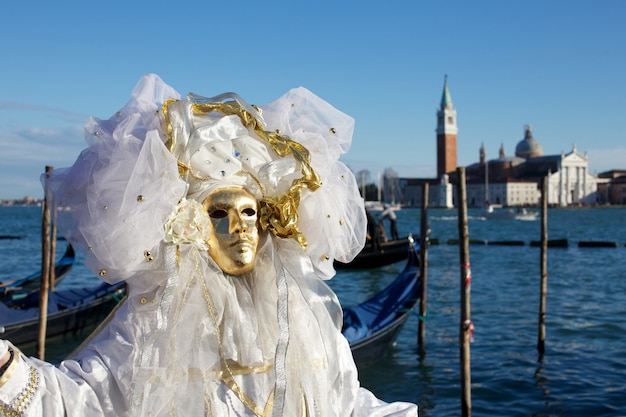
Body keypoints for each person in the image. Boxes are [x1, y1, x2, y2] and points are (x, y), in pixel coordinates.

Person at [0, 74, 417, 416]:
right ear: (194, 227)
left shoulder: (307, 319)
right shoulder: (154, 321)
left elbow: (345, 403)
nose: (240, 227)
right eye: (220, 214)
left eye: (250, 212)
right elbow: (81, 402)